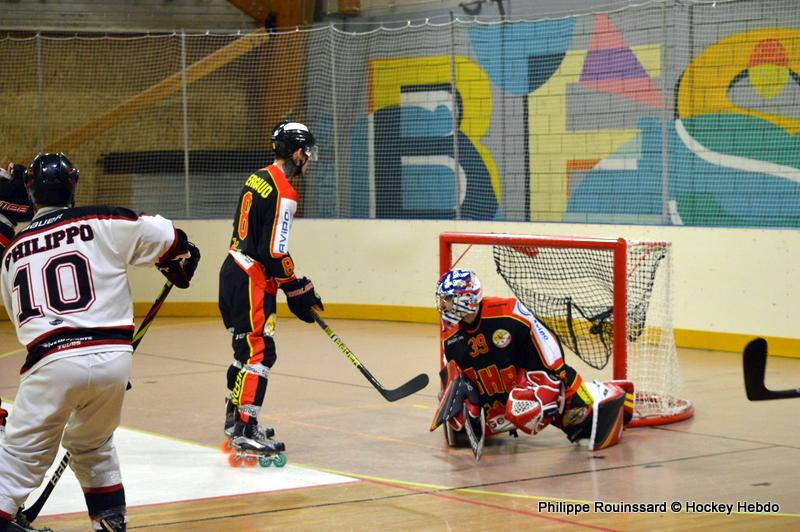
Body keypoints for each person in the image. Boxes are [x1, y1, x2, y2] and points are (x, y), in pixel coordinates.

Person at [0, 153, 200, 532]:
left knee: (20, 458)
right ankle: (110, 519)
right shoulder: (101, 219)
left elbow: (20, 318)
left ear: (30, 191)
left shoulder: (12, 252)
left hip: (50, 360)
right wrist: (180, 255)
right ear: (73, 185)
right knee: (94, 443)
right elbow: (165, 235)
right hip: (112, 360)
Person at [429, 269, 633, 461]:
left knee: (531, 409)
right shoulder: (450, 336)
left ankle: (600, 393)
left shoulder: (507, 312)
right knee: (458, 428)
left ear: (467, 299)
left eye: (448, 300)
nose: (442, 306)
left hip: (527, 383)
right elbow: (454, 375)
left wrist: (560, 372)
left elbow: (542, 335)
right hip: (492, 396)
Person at [218, 120, 323, 459]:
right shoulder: (285, 192)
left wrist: (292, 286)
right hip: (252, 279)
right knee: (259, 352)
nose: (308, 160)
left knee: (243, 349)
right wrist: (295, 286)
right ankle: (246, 430)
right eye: (307, 153)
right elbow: (274, 252)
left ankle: (234, 420)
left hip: (232, 270)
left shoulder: (258, 177)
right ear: (297, 153)